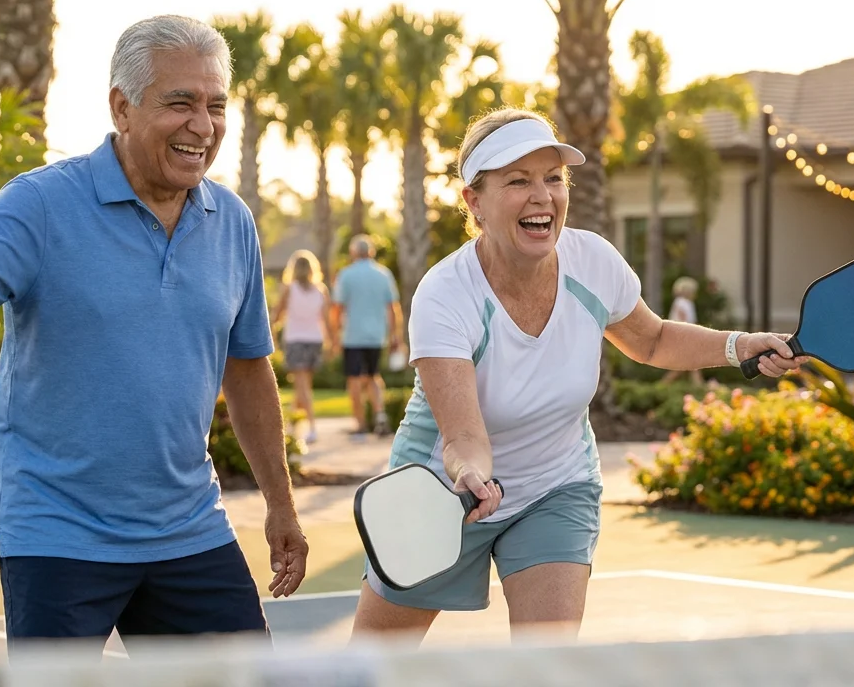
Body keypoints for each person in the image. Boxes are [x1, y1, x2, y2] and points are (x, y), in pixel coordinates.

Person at [0, 14, 308, 654]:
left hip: (188, 528)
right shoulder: (38, 204)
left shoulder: (232, 221)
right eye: (180, 103)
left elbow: (249, 367)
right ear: (122, 106)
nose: (202, 127)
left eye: (215, 106)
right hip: (57, 532)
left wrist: (281, 504)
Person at [349, 108, 807, 644]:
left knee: (549, 669)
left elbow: (653, 339)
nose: (542, 196)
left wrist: (739, 346)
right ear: (474, 201)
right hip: (446, 495)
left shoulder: (593, 261)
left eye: (553, 179)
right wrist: (472, 476)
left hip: (555, 486)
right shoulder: (445, 292)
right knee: (372, 667)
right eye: (518, 181)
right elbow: (465, 436)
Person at [329, 235, 403, 436]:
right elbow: (393, 308)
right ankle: (380, 416)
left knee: (354, 379)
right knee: (373, 376)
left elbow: (337, 308)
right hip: (376, 336)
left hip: (352, 336)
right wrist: (396, 337)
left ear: (353, 252)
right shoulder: (383, 274)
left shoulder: (346, 275)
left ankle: (360, 424)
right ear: (371, 252)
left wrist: (334, 336)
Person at [271, 249, 331, 444]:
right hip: (314, 340)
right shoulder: (320, 290)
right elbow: (326, 320)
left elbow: (277, 315)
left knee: (302, 386)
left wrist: (272, 334)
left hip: (296, 340)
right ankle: (291, 427)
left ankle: (312, 427)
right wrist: (332, 342)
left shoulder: (290, 288)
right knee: (303, 386)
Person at [660, 276, 704, 385]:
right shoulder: (681, 302)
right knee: (690, 364)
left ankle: (661, 386)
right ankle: (700, 387)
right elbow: (683, 319)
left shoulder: (686, 303)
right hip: (683, 336)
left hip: (686, 335)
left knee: (690, 364)